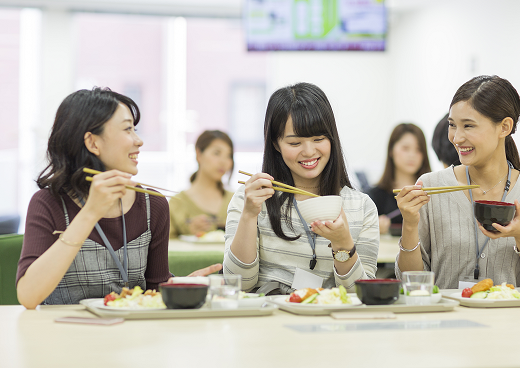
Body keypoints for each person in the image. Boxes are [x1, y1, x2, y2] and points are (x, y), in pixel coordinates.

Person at [16, 88, 219, 309]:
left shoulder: (153, 205)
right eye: (127, 129)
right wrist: (90, 212)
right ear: (93, 143)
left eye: (135, 129)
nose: (139, 141)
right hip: (65, 335)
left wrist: (179, 287)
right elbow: (28, 296)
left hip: (132, 337)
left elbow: (152, 291)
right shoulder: (48, 203)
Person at [395, 75, 520, 289]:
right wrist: (409, 223)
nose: (456, 137)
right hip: (448, 320)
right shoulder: (429, 187)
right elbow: (411, 283)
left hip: (513, 321)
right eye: (452, 125)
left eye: (469, 126)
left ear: (504, 127)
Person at [222, 82, 379, 294]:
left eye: (319, 139)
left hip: (329, 321)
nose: (308, 151)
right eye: (295, 143)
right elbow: (238, 284)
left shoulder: (361, 207)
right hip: (269, 319)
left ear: (331, 138)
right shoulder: (251, 199)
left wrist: (342, 244)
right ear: (276, 144)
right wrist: (249, 215)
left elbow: (362, 294)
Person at [169, 130, 234, 239]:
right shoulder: (177, 203)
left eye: (229, 156)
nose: (224, 161)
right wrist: (189, 233)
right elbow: (166, 247)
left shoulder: (236, 200)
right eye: (217, 153)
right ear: (199, 154)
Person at [368, 124, 431, 234]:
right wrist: (372, 228)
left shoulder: (431, 193)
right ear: (391, 150)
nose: (412, 155)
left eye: (418, 149)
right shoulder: (374, 197)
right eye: (406, 148)